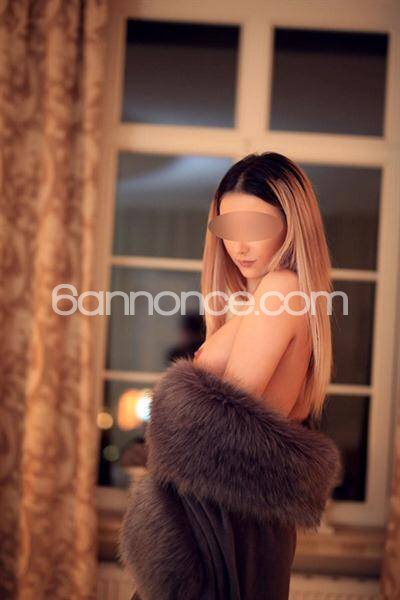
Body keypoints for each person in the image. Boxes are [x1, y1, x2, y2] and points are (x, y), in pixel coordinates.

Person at [118, 151, 342, 600]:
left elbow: (219, 419)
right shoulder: (262, 300)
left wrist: (171, 411)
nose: (238, 246)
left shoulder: (282, 290)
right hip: (226, 515)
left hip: (226, 521)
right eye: (228, 228)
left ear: (292, 225)